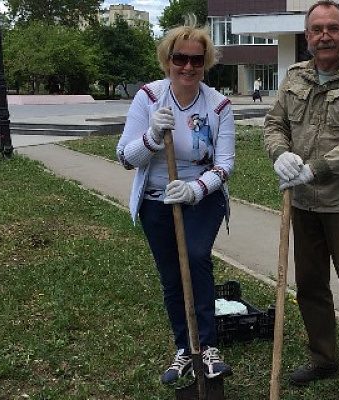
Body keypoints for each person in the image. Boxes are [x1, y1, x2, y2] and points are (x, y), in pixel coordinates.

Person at [264, 2, 339, 399]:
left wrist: (315, 168)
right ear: (307, 36)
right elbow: (275, 124)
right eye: (316, 29)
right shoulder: (294, 76)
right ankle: (323, 359)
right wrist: (280, 153)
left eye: (333, 28)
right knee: (311, 285)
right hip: (303, 204)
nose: (324, 36)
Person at [116, 15, 235, 386]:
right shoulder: (149, 98)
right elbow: (123, 157)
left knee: (196, 258)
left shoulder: (219, 106)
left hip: (203, 199)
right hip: (156, 200)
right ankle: (186, 349)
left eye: (196, 60)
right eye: (180, 58)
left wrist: (196, 188)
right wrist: (152, 136)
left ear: (206, 63)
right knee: (171, 276)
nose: (187, 66)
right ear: (168, 60)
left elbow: (225, 165)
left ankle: (209, 348)